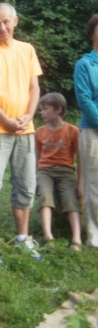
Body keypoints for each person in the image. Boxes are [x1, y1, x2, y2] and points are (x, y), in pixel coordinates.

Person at [0, 3, 43, 264]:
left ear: (16, 21)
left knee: (26, 184)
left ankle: (23, 237)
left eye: (6, 22)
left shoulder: (27, 50)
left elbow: (34, 88)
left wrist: (28, 116)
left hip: (25, 129)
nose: (2, 27)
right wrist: (5, 119)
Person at [35, 92, 82, 251]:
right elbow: (37, 157)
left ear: (58, 109)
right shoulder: (39, 132)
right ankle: (48, 238)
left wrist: (80, 182)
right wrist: (36, 178)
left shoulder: (73, 131)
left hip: (66, 171)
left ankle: (76, 239)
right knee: (45, 197)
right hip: (44, 171)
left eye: (45, 109)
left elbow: (79, 158)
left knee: (70, 199)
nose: (41, 112)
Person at [74, 13, 98, 248]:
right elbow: (85, 100)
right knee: (94, 185)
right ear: (92, 34)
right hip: (92, 131)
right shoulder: (85, 64)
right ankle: (94, 236)